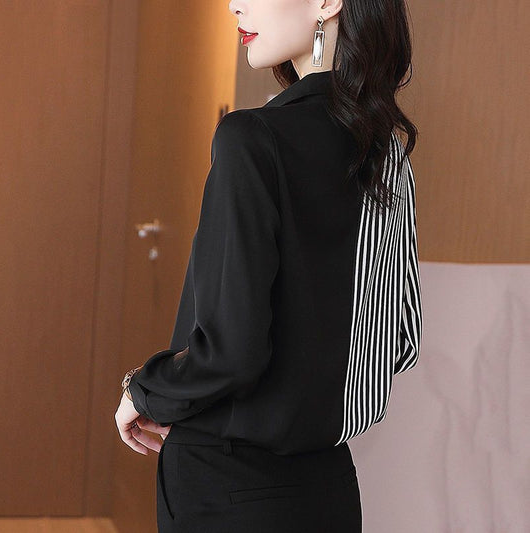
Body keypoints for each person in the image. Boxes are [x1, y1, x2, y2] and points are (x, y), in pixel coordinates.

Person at [115, 0, 423, 531]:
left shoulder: (252, 138)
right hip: (329, 489)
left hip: (227, 487)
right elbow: (402, 340)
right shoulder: (386, 153)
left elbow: (229, 354)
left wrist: (145, 390)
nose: (235, 4)